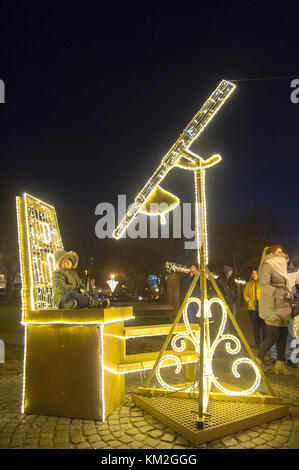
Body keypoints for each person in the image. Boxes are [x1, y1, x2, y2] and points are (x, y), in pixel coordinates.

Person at [256, 245, 292, 375]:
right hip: (272, 305)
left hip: (282, 305)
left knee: (283, 335)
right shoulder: (267, 266)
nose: (282, 254)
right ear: (271, 254)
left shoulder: (281, 267)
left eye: (282, 252)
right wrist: (280, 292)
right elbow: (263, 285)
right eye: (279, 252)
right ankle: (257, 361)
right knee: (273, 335)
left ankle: (280, 365)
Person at [270, 254, 299, 368]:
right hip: (280, 307)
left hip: (291, 308)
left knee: (292, 334)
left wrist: (291, 295)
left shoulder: (294, 272)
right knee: (278, 332)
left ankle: (291, 358)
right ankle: (276, 356)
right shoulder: (278, 271)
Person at [243, 270, 266, 348]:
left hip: (262, 308)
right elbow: (245, 294)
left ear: (259, 274)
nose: (254, 275)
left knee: (263, 326)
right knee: (255, 327)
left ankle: (265, 344)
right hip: (252, 308)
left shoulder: (262, 284)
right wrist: (249, 301)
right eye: (253, 273)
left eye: (256, 273)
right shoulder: (249, 284)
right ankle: (258, 344)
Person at [217, 265, 238, 332]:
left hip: (232, 301)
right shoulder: (220, 280)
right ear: (226, 271)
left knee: (232, 318)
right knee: (224, 317)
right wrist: (223, 298)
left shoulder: (232, 280)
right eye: (230, 271)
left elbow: (235, 289)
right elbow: (218, 290)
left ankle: (232, 331)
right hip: (225, 301)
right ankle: (224, 331)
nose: (231, 272)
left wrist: (235, 298)